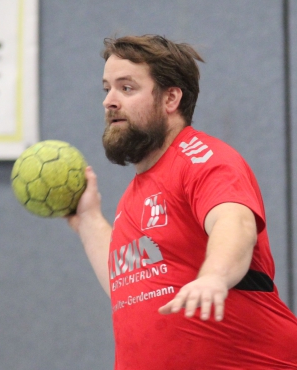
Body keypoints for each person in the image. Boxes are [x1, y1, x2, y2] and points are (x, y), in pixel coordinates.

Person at [67, 34, 297, 369]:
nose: (109, 101)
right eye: (107, 89)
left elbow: (234, 222)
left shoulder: (202, 159)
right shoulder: (134, 196)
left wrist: (214, 276)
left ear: (171, 98)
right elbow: (129, 282)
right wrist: (88, 221)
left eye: (126, 88)